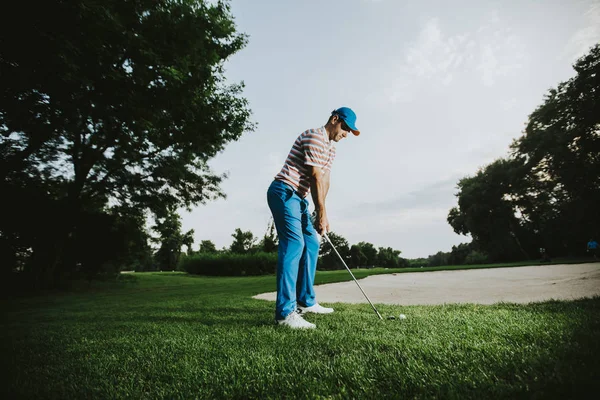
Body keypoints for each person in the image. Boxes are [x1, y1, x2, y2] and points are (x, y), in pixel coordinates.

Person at [266, 107, 360, 329]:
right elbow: (315, 176)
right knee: (294, 244)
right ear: (334, 119)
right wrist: (321, 213)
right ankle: (284, 314)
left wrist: (322, 212)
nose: (346, 134)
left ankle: (305, 302)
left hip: (298, 198)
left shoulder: (331, 149)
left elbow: (325, 180)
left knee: (311, 242)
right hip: (284, 192)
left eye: (349, 131)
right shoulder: (314, 136)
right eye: (345, 128)